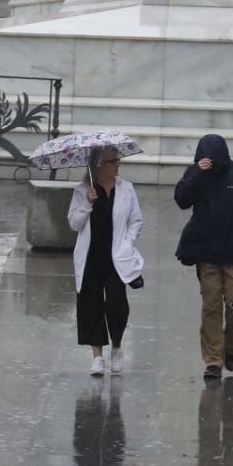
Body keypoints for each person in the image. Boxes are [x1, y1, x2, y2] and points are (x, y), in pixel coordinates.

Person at [175, 134, 233, 380]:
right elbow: (181, 200)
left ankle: (231, 348)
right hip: (206, 253)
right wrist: (197, 172)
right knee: (211, 306)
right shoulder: (196, 174)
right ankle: (213, 360)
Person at [68, 145, 144, 377]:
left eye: (117, 160)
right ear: (99, 166)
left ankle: (118, 346)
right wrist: (87, 204)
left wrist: (127, 244)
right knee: (91, 306)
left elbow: (136, 221)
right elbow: (74, 223)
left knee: (117, 305)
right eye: (113, 161)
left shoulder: (126, 189)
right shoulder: (83, 190)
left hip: (116, 257)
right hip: (91, 257)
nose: (117, 164)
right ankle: (98, 357)